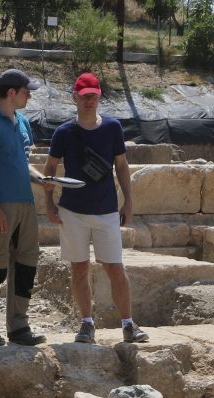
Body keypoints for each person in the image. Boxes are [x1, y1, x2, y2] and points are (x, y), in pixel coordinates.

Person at [43, 72, 149, 345]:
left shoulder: (112, 128)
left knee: (115, 267)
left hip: (105, 210)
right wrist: (49, 204)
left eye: (93, 96)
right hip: (73, 212)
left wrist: (129, 201)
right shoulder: (63, 132)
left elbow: (122, 165)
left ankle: (128, 323)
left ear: (99, 97)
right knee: (79, 268)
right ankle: (86, 323)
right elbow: (50, 169)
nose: (89, 100)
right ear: (75, 97)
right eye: (84, 95)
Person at [0, 69, 49, 347]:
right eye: (27, 91)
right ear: (11, 92)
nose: (30, 96)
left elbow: (22, 162)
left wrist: (42, 179)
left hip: (26, 206)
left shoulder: (24, 122)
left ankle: (19, 326)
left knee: (26, 266)